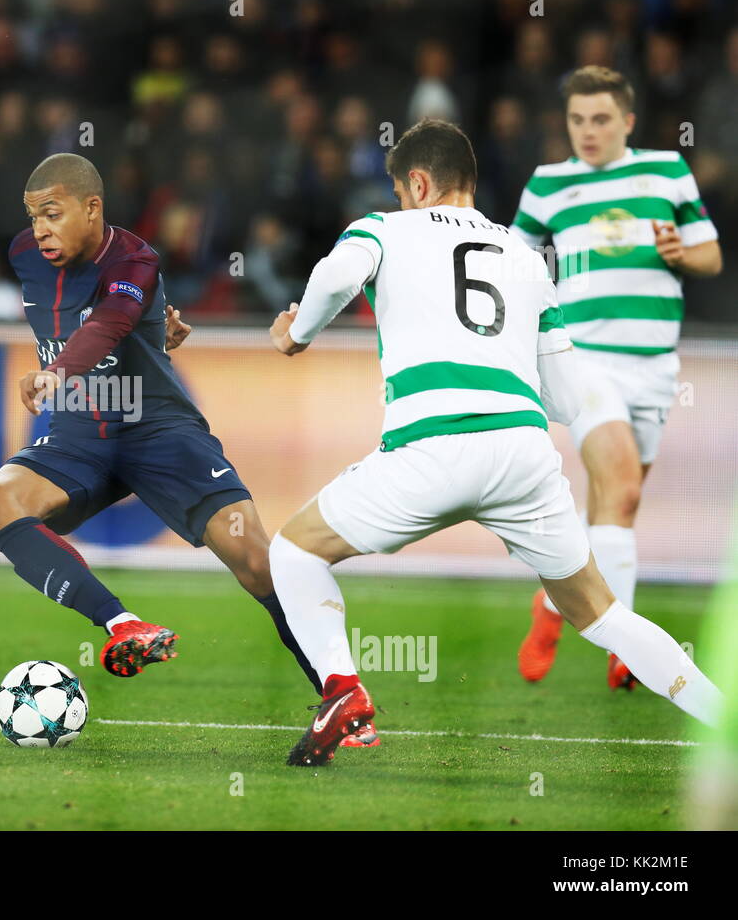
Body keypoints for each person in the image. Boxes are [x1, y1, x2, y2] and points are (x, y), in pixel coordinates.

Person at [266, 120, 721, 766]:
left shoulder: (383, 229)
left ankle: (342, 689)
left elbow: (336, 274)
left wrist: (297, 333)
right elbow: (566, 396)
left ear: (417, 183)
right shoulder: (524, 255)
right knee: (601, 612)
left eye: (401, 191)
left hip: (430, 449)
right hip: (523, 455)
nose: (399, 202)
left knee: (294, 551)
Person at [0, 153, 364, 740]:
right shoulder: (24, 257)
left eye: (52, 215)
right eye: (32, 218)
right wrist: (160, 324)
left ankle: (342, 700)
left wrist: (64, 369)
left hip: (160, 432)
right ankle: (122, 624)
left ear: (92, 207)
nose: (40, 231)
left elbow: (110, 321)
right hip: (80, 434)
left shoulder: (136, 258)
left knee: (258, 561)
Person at [510, 67, 723, 690]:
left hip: (654, 367)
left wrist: (682, 252)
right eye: (577, 120)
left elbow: (710, 252)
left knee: (613, 507)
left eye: (600, 119)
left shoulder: (666, 172)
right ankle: (627, 652)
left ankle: (551, 606)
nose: (588, 131)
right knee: (623, 490)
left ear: (627, 121)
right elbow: (515, 264)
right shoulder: (548, 185)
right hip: (584, 360)